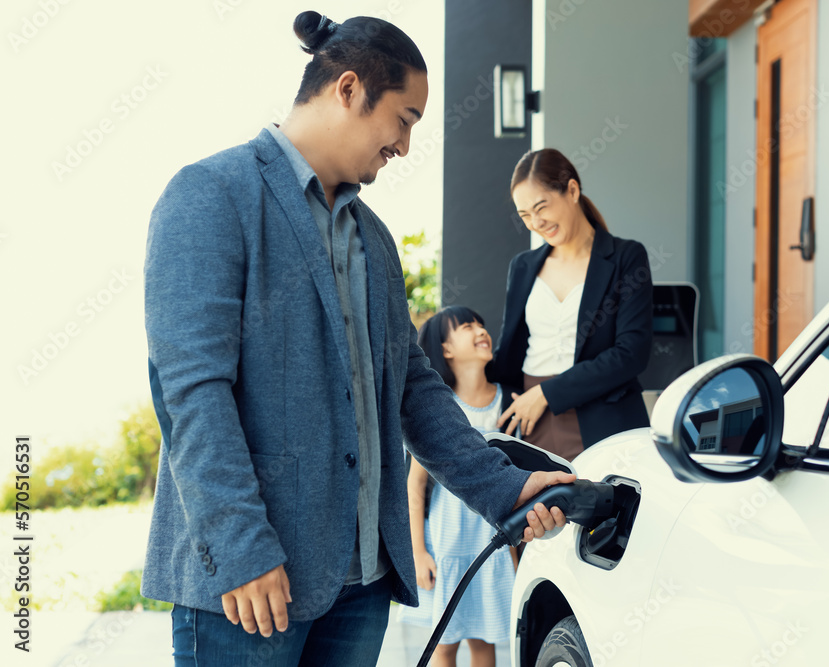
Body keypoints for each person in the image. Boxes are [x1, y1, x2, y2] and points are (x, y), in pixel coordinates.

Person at [141, 13, 572, 666]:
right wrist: (241, 548)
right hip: (254, 587)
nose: (404, 145)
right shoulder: (210, 195)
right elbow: (191, 393)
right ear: (348, 89)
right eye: (403, 119)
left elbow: (413, 389)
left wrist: (505, 487)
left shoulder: (374, 239)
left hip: (361, 585)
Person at [491, 148, 654, 461]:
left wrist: (547, 394)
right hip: (532, 420)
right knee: (542, 509)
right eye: (525, 216)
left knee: (611, 508)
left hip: (604, 416)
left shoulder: (625, 258)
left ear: (572, 191)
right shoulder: (523, 266)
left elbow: (632, 353)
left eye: (542, 207)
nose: (536, 223)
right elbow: (510, 353)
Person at [397, 306, 518, 667]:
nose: (481, 330)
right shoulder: (440, 410)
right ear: (446, 349)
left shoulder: (510, 403)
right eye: (467, 327)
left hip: (494, 544)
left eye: (481, 323)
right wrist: (418, 552)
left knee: (485, 641)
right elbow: (415, 488)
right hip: (447, 545)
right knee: (443, 643)